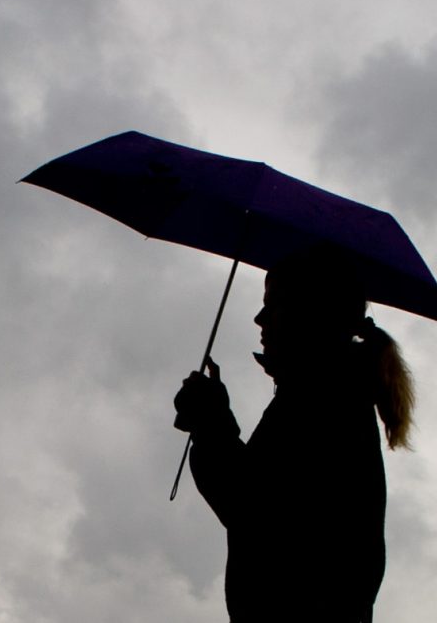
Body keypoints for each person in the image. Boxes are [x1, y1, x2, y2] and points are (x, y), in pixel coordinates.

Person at [174, 246, 415, 623]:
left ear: (312, 314)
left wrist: (211, 424)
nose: (260, 317)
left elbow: (254, 510)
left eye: (275, 303)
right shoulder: (328, 392)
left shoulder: (323, 398)